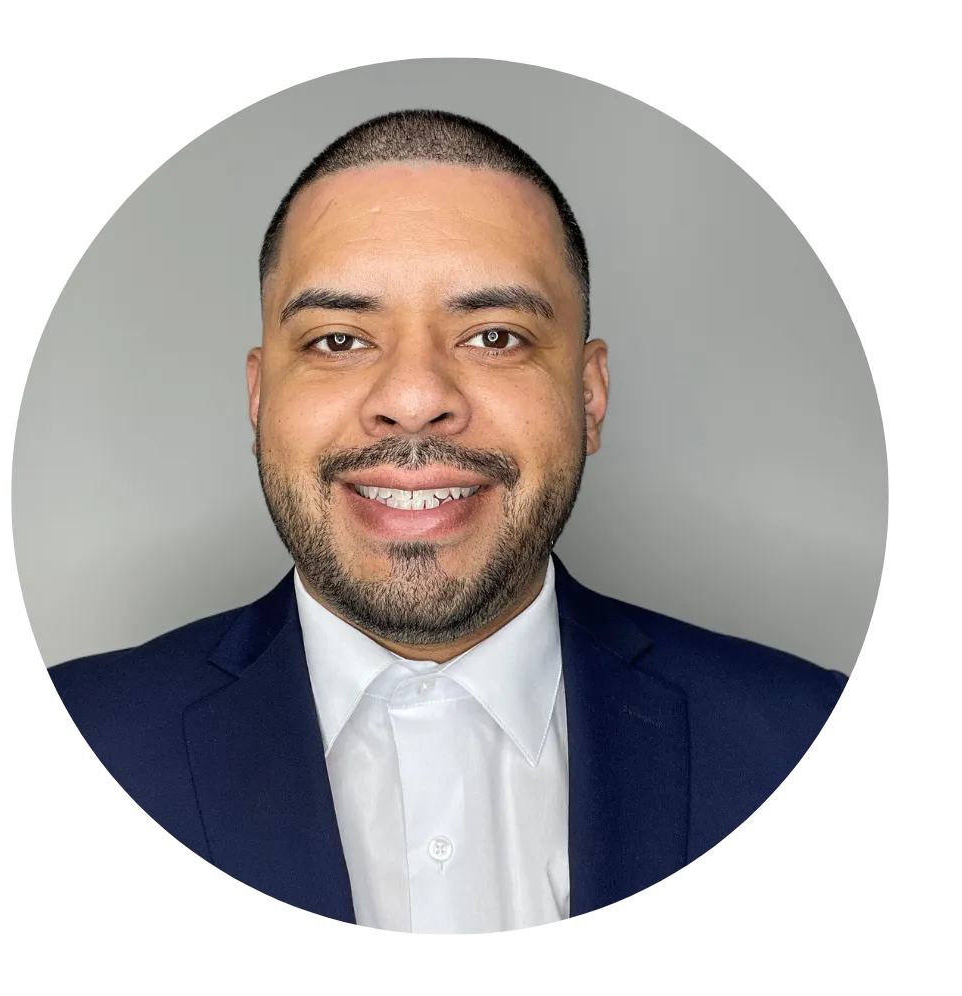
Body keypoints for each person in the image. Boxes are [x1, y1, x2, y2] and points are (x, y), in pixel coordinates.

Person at [46, 109, 849, 935]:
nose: (413, 399)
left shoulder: (798, 736)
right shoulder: (89, 734)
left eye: (494, 336)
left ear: (589, 395)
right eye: (338, 341)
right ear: (259, 398)